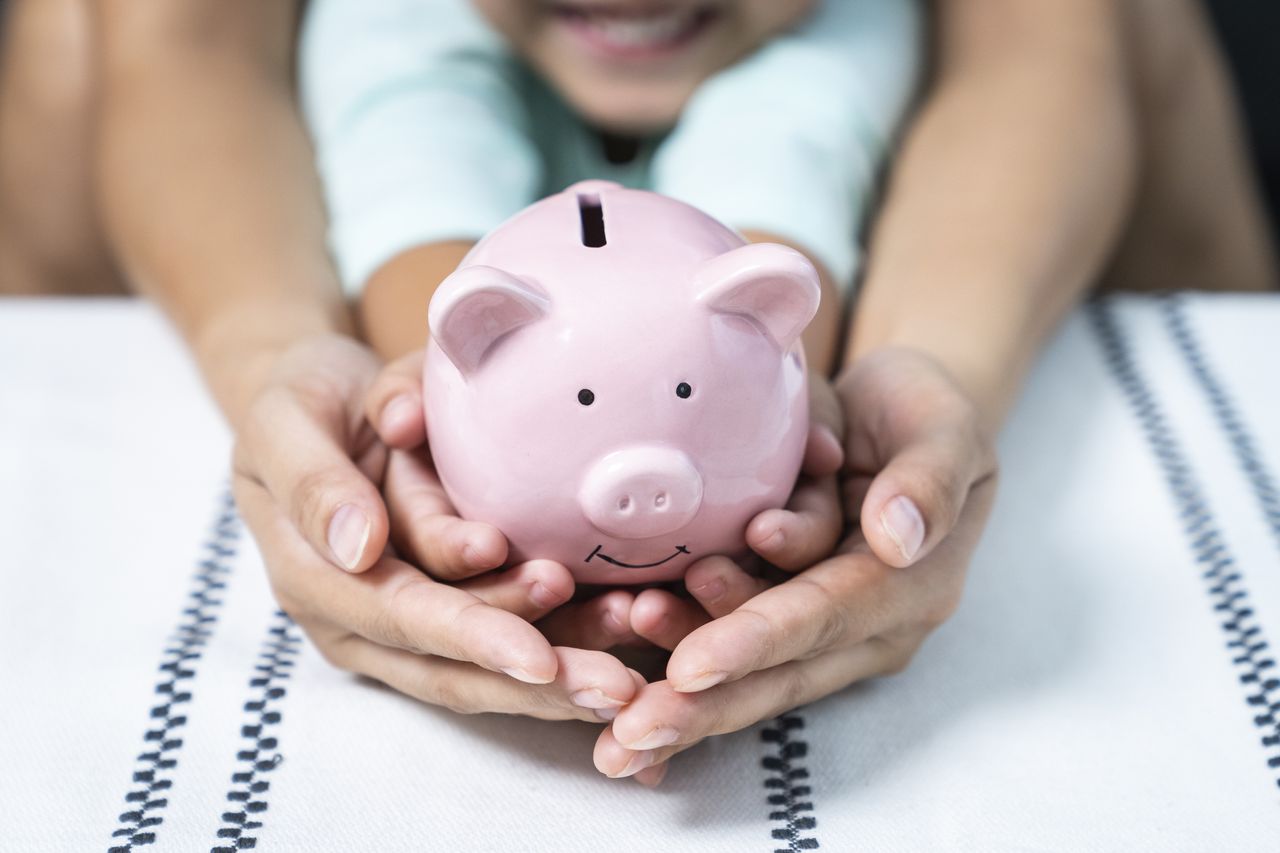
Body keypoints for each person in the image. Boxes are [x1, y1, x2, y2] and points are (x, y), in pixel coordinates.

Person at [0, 0, 1273, 790]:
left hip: (860, 65)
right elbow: (186, 44)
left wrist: (920, 366)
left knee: (1137, 26)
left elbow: (1038, 45)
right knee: (70, 39)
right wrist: (320, 360)